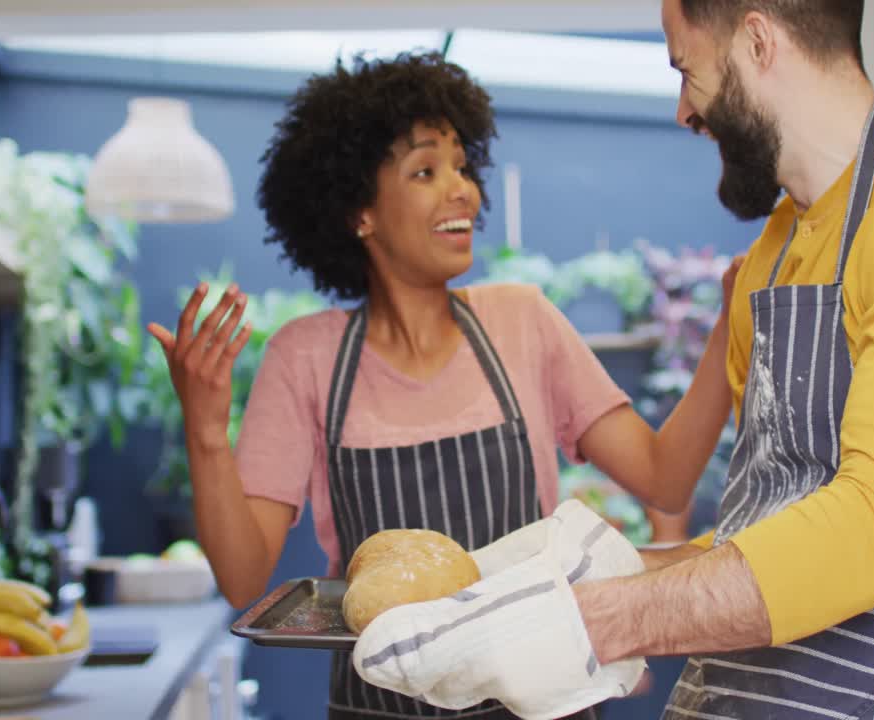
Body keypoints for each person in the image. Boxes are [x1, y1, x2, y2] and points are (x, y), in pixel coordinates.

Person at [348, 3, 874, 719]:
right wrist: (554, 583)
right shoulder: (772, 256)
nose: (684, 110)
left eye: (688, 71)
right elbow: (756, 539)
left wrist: (587, 622)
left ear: (757, 41)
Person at [148, 51, 739, 720]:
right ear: (358, 212)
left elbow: (663, 480)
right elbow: (243, 577)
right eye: (425, 171)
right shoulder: (305, 357)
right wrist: (204, 428)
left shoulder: (524, 321)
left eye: (462, 167)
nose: (462, 189)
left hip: (540, 708)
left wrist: (727, 330)